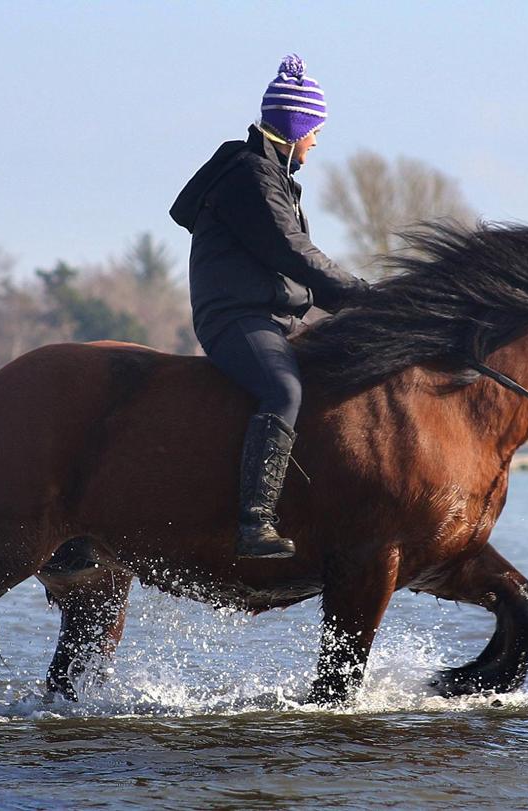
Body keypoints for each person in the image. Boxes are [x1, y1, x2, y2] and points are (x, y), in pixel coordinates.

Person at [170, 54, 371, 559]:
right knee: (283, 389)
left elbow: (300, 274)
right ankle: (253, 524)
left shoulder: (271, 177)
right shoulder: (251, 177)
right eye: (315, 130)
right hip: (236, 320)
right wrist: (363, 294)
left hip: (274, 319)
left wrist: (366, 309)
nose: (318, 141)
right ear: (294, 129)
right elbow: (295, 254)